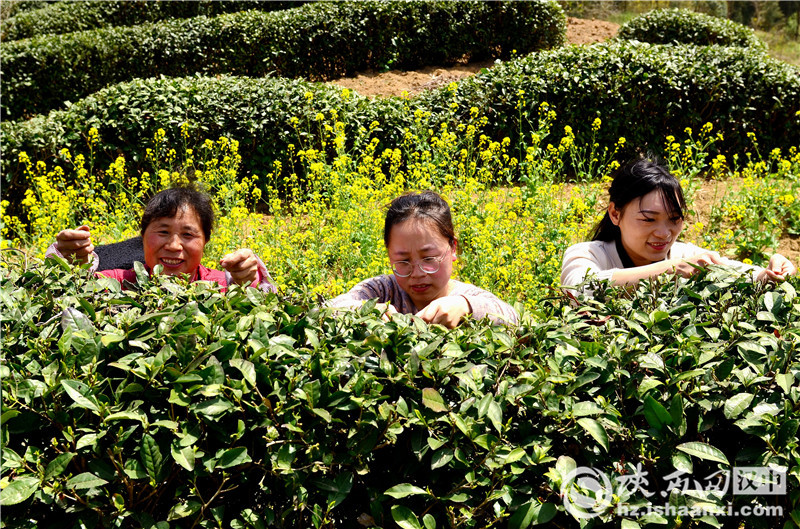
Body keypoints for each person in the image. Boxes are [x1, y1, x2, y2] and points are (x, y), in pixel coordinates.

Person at [561, 158, 797, 291]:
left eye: (674, 219)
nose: (664, 233)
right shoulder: (587, 254)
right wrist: (670, 270)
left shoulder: (685, 254)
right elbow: (581, 289)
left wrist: (772, 272)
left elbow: (741, 274)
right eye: (648, 219)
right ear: (615, 214)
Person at [329, 191, 519, 327]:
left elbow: (514, 318)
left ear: (453, 248)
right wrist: (367, 310)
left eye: (429, 258)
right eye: (403, 261)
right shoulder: (382, 290)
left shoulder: (467, 297)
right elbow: (330, 308)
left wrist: (465, 306)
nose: (418, 273)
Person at [47, 186, 277, 293]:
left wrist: (247, 279)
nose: (174, 246)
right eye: (163, 232)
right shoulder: (116, 284)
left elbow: (259, 302)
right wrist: (68, 263)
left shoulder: (223, 285)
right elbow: (71, 289)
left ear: (205, 241)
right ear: (143, 238)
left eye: (188, 234)